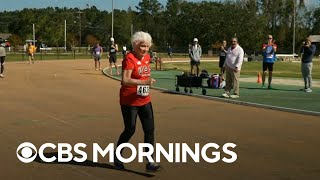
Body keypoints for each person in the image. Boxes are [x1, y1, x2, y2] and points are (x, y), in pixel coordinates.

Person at [114, 31, 160, 171]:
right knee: (130, 129)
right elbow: (125, 80)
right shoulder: (129, 58)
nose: (145, 49)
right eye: (142, 46)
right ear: (135, 45)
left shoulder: (146, 57)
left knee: (149, 130)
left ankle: (150, 161)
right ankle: (118, 155)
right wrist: (144, 82)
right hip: (129, 101)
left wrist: (145, 83)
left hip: (145, 100)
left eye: (147, 46)